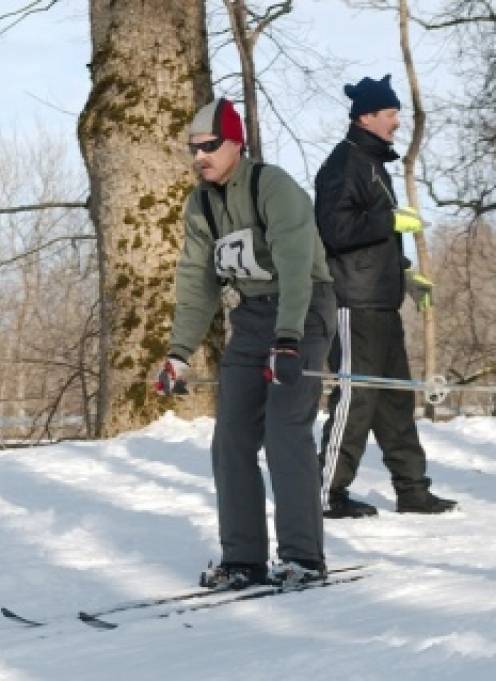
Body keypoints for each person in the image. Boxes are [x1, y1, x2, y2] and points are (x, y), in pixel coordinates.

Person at [156, 97, 336, 587]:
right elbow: (196, 281)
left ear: (236, 143)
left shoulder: (272, 187)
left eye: (210, 146)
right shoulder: (201, 204)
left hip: (303, 310)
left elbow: (299, 268)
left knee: (284, 431)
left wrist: (289, 341)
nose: (200, 157)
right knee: (231, 438)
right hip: (253, 315)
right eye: (193, 149)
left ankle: (303, 557)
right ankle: (244, 558)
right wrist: (178, 353)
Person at [314, 74, 458, 518]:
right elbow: (335, 231)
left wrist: (407, 275)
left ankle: (412, 489)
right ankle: (325, 493)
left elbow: (371, 236)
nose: (398, 120)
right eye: (392, 113)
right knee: (356, 398)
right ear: (367, 117)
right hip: (352, 304)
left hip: (380, 300)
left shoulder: (372, 164)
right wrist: (390, 222)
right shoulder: (344, 164)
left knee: (396, 398)